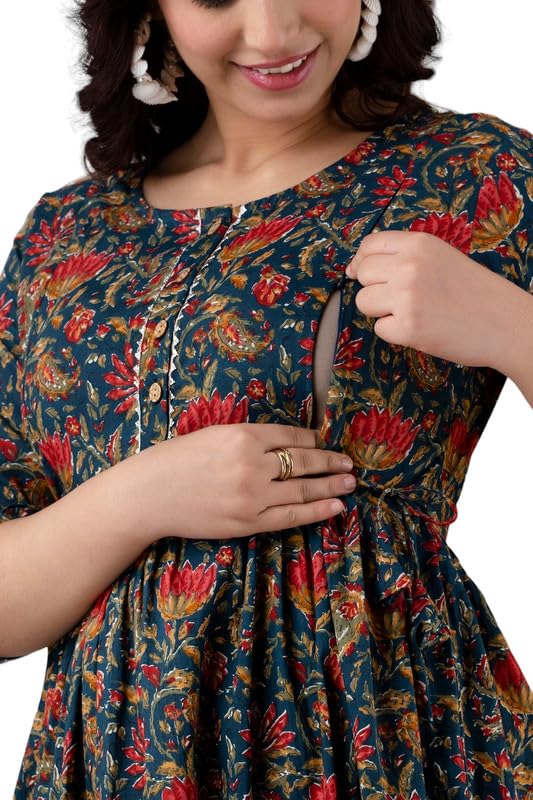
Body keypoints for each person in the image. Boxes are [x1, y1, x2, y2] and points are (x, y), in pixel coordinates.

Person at [0, 0, 532, 796]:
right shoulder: (64, 237)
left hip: (380, 734)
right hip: (118, 758)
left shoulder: (471, 174)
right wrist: (137, 499)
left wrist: (512, 328)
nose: (273, 32)